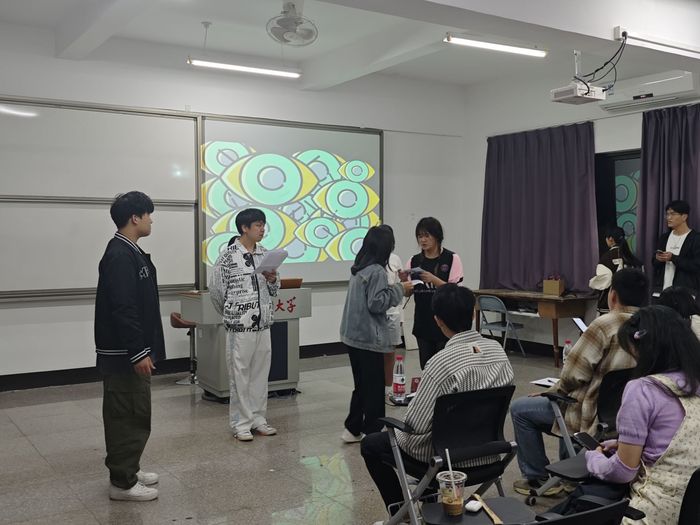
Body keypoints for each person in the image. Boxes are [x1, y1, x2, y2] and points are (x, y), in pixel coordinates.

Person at [361, 284, 514, 520]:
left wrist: (395, 428)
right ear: (473, 315)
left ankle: (403, 513)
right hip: (489, 453)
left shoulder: (440, 363)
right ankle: (428, 506)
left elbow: (415, 426)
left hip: (446, 461)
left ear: (438, 320)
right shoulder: (498, 351)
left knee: (372, 444)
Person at [550, 306, 700, 524]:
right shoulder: (694, 382)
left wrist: (593, 458)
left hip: (654, 512)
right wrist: (629, 445)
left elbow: (623, 471)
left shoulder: (643, 390)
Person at [510, 268, 648, 497]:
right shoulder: (651, 324)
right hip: (627, 414)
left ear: (613, 295)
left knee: (520, 409)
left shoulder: (604, 325)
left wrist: (553, 390)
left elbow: (574, 374)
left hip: (591, 413)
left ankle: (537, 478)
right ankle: (568, 475)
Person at [94, 191, 165, 501]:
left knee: (136, 412)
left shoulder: (130, 251)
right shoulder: (120, 255)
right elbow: (124, 308)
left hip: (132, 351)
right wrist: (137, 351)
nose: (151, 221)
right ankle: (122, 483)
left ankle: (129, 468)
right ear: (135, 218)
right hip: (124, 354)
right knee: (126, 415)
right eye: (148, 215)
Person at [209, 208, 280, 442]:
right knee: (240, 375)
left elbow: (274, 289)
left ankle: (259, 419)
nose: (262, 229)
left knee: (260, 374)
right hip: (240, 326)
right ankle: (241, 423)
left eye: (263, 225)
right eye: (258, 225)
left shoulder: (265, 254)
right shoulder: (228, 256)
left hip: (263, 324)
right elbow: (217, 292)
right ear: (244, 228)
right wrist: (232, 313)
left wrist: (273, 280)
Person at [339, 226, 413, 443]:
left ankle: (352, 428)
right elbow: (377, 303)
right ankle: (373, 432)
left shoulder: (359, 268)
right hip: (368, 338)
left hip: (352, 336)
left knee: (362, 385)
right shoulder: (377, 271)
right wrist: (400, 289)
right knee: (374, 386)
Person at [406, 217, 464, 368]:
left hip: (446, 322)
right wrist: (404, 282)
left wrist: (434, 279)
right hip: (423, 321)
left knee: (445, 367)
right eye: (420, 236)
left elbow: (455, 291)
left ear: (437, 236)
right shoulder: (414, 261)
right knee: (426, 367)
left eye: (427, 235)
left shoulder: (451, 258)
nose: (423, 240)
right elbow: (408, 293)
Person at [653, 199, 700, 298]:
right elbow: (654, 263)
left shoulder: (695, 238)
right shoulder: (664, 237)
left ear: (684, 217)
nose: (668, 218)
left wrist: (673, 258)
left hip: (685, 293)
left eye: (673, 214)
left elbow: (696, 265)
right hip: (661, 291)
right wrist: (657, 258)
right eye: (667, 214)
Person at [589, 226, 642, 313]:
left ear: (610, 239)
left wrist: (592, 283)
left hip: (612, 304)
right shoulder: (631, 258)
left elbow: (603, 282)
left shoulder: (606, 258)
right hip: (632, 303)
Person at [379, 225, 404, 397]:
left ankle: (388, 387)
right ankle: (376, 386)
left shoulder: (395, 259)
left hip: (393, 312)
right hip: (377, 313)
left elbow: (400, 282)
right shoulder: (371, 260)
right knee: (376, 352)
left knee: (390, 352)